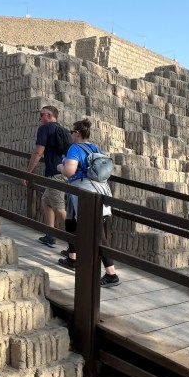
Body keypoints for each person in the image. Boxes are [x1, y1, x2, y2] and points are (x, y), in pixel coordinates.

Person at [56, 118, 119, 287]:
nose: (70, 135)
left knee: (97, 232)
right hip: (98, 189)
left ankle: (111, 273)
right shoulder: (94, 148)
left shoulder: (74, 148)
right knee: (71, 222)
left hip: (85, 192)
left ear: (77, 133)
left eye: (71, 132)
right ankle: (72, 258)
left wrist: (60, 167)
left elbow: (69, 171)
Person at [25, 105, 68, 248]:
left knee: (59, 207)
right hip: (61, 173)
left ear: (49, 115)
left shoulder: (45, 129)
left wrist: (28, 172)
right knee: (46, 201)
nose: (40, 117)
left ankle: (76, 241)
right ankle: (50, 235)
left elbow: (38, 152)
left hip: (56, 174)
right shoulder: (62, 130)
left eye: (41, 114)